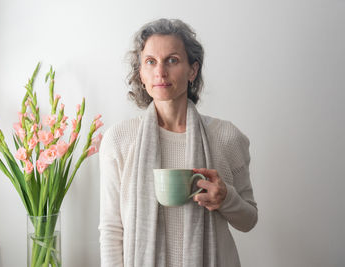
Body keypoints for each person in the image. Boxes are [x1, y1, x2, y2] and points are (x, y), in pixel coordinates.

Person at [99, 18, 258, 267]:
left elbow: (249, 220)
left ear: (192, 70)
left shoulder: (227, 137)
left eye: (172, 60)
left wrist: (226, 198)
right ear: (141, 73)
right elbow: (111, 228)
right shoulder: (119, 139)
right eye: (150, 62)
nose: (160, 72)